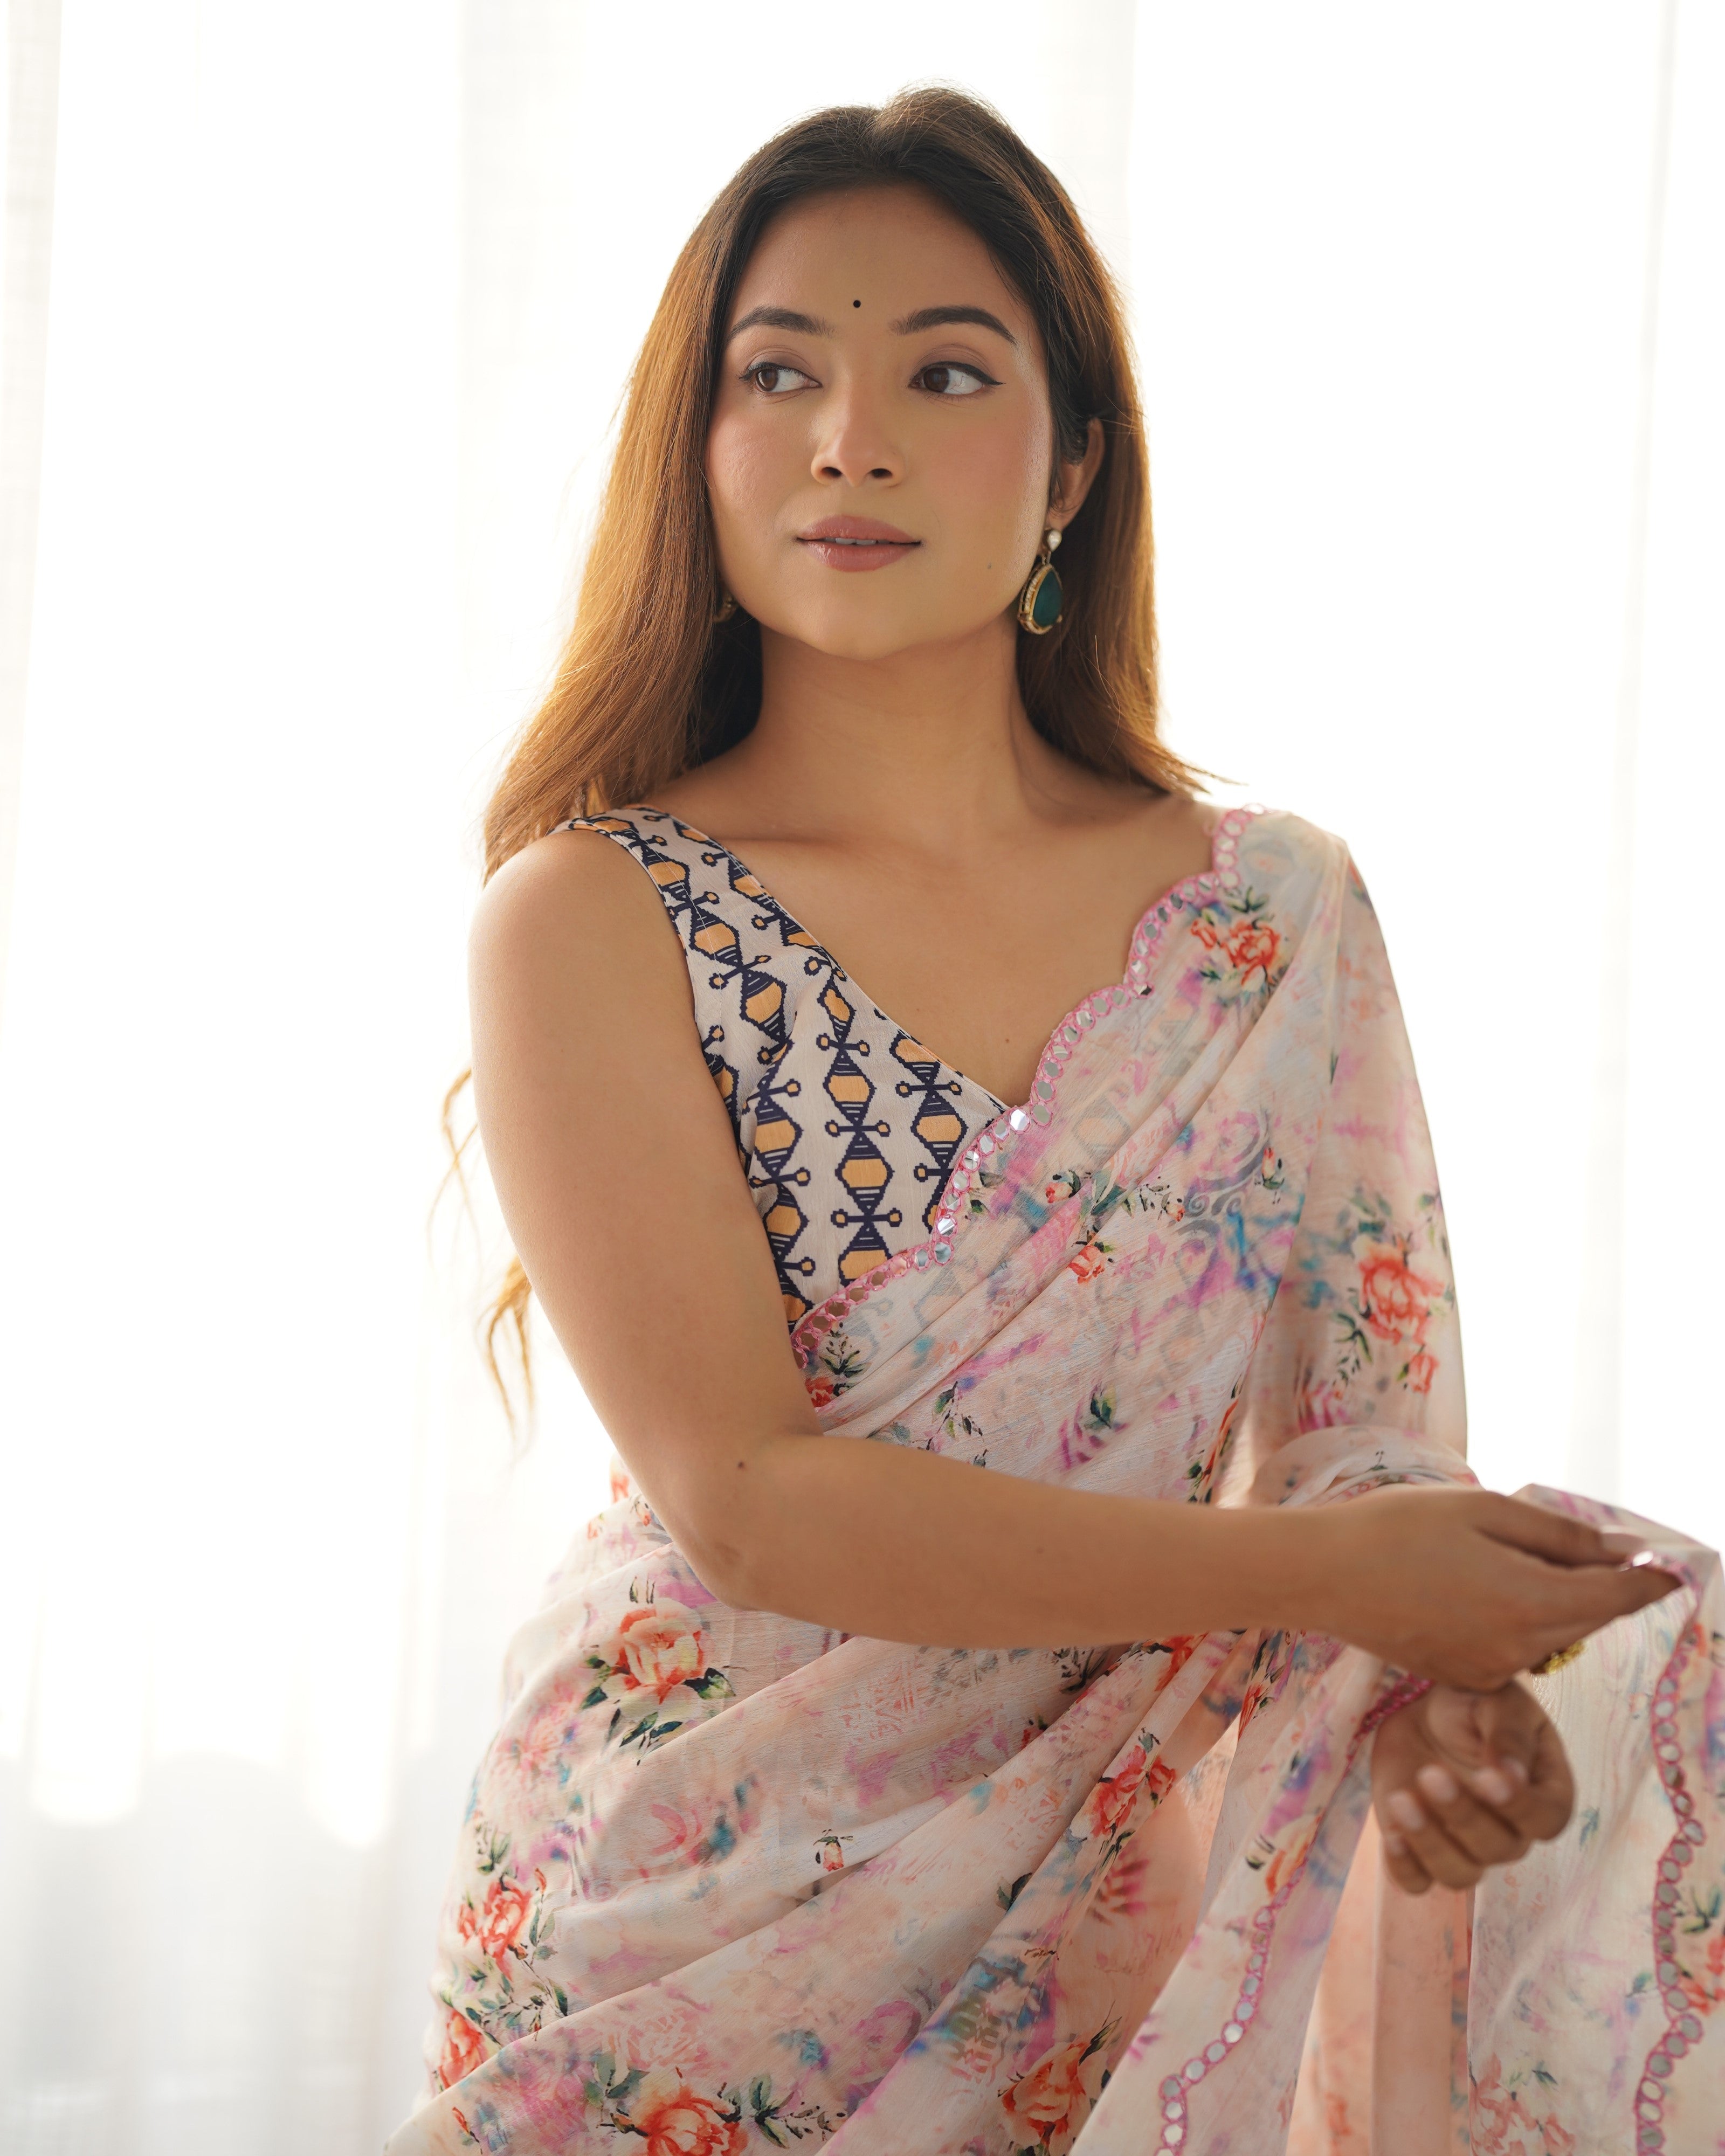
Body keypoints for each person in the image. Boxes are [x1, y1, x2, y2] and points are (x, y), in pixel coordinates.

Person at [388, 90, 1721, 2156]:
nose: (851, 439)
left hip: (1100, 1938)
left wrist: (1448, 1706)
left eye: (944, 372)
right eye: (777, 376)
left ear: (1076, 464)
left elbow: (1367, 1447)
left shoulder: (1274, 915)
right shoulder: (592, 912)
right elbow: (751, 1504)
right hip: (674, 1910)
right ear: (700, 447)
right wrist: (1333, 1584)